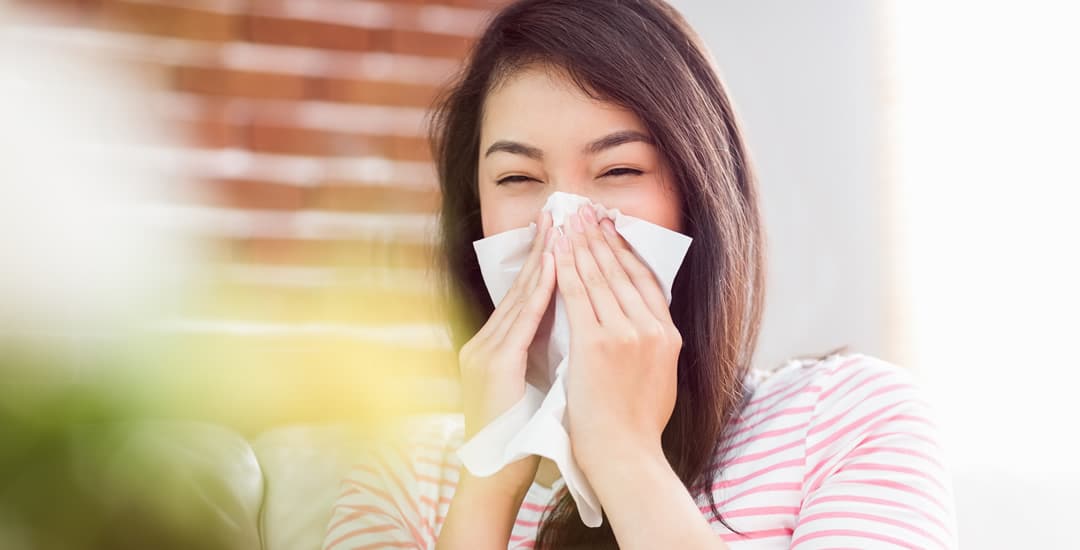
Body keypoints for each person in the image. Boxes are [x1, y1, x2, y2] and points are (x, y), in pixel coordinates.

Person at [322, 0, 957, 548]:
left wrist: (624, 453)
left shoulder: (849, 420)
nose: (562, 221)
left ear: (698, 200)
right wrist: (488, 478)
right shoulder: (403, 474)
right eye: (517, 178)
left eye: (620, 170)